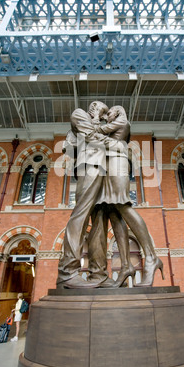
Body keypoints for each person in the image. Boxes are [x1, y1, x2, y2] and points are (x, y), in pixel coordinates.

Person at [57, 101, 127, 289]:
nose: (100, 114)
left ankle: (98, 274)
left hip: (104, 171)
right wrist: (117, 145)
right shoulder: (79, 114)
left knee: (100, 221)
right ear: (93, 108)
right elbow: (91, 136)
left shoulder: (100, 123)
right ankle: (68, 272)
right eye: (99, 111)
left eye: (104, 113)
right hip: (89, 166)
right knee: (80, 214)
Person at [93, 106, 164, 287]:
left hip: (118, 164)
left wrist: (94, 116)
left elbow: (96, 132)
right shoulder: (115, 126)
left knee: (123, 205)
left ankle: (151, 257)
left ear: (117, 112)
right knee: (114, 213)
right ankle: (126, 266)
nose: (105, 117)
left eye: (108, 113)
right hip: (110, 166)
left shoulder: (122, 121)